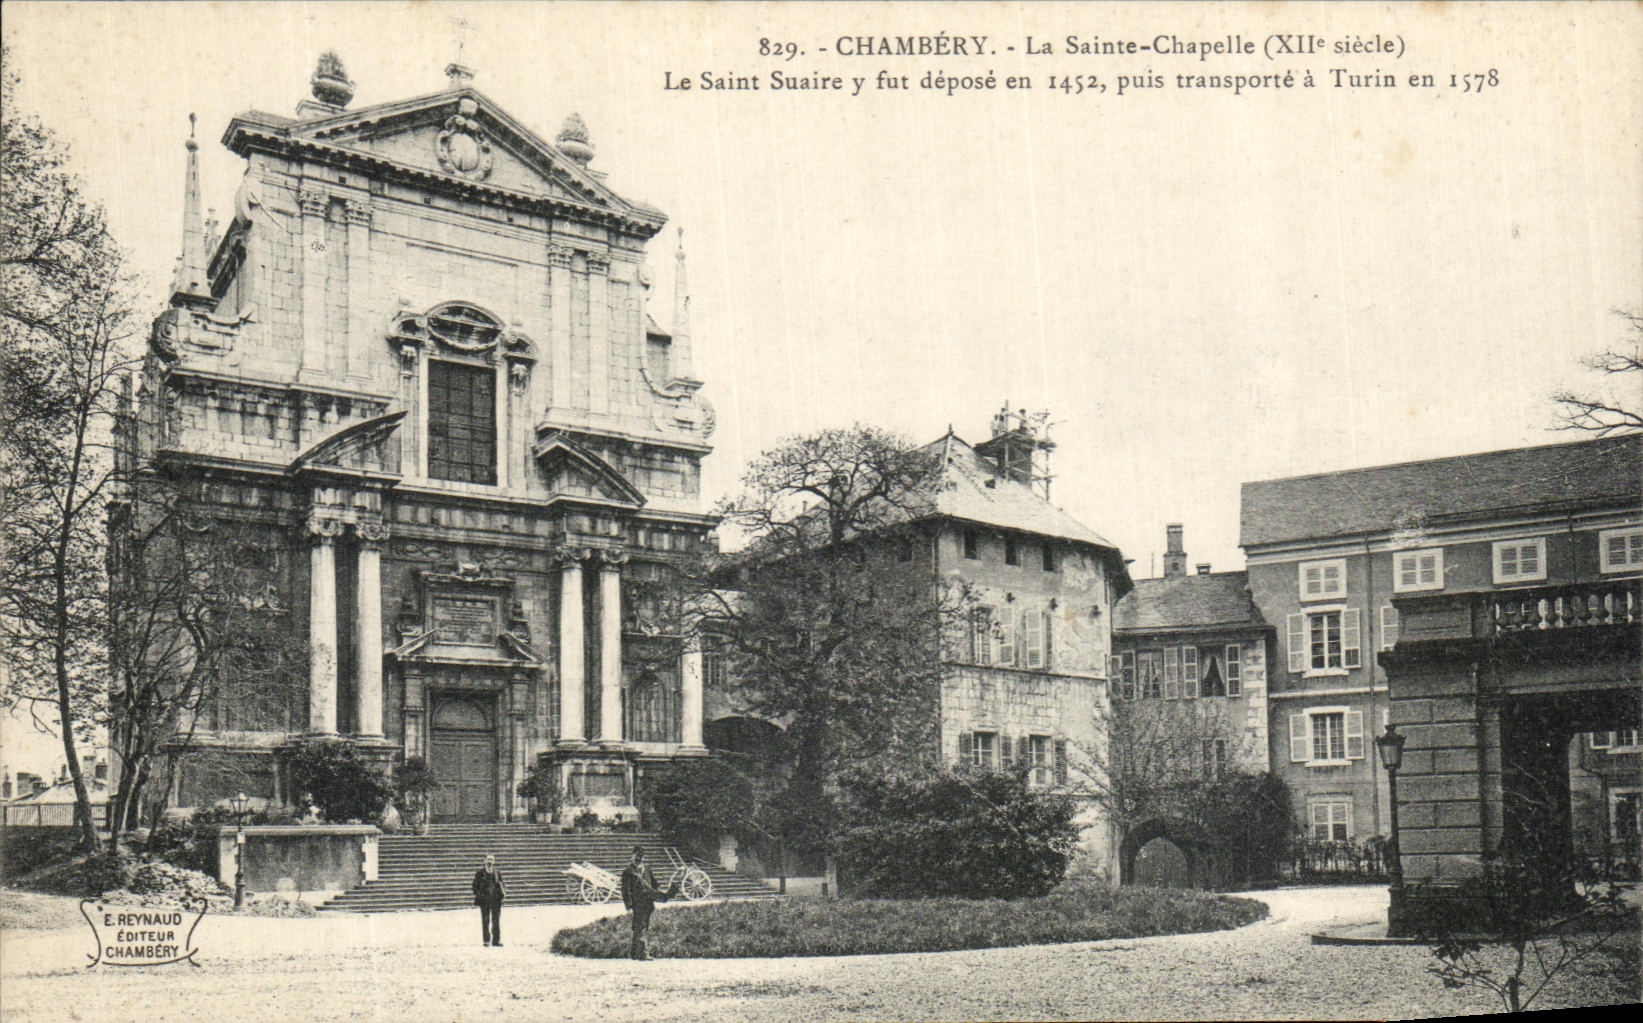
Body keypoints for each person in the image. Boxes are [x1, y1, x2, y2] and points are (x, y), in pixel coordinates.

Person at [619, 845, 676, 961]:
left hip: (648, 902)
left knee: (641, 927)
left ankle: (635, 953)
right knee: (641, 927)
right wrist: (629, 904)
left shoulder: (646, 868)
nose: (639, 858)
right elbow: (625, 890)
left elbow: (653, 883)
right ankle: (644, 954)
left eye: (641, 856)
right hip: (637, 902)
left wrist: (659, 889)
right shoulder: (628, 872)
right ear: (632, 856)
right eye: (637, 855)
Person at [473, 854, 506, 947]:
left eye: (491, 860)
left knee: (496, 921)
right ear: (484, 861)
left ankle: (496, 940)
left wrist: (501, 894)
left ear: (494, 862)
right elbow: (475, 886)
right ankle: (486, 940)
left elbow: (502, 883)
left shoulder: (497, 872)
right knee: (485, 920)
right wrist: (479, 896)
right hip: (485, 900)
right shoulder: (479, 873)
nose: (489, 862)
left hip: (496, 900)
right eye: (488, 860)